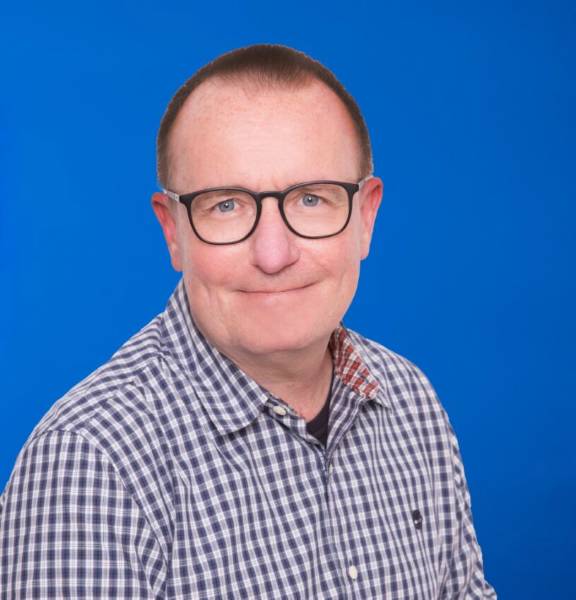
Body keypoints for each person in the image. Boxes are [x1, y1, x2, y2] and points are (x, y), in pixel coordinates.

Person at [0, 44, 496, 598]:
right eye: (227, 205)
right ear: (172, 231)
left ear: (365, 218)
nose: (273, 254)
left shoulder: (410, 401)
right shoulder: (91, 463)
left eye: (311, 199)